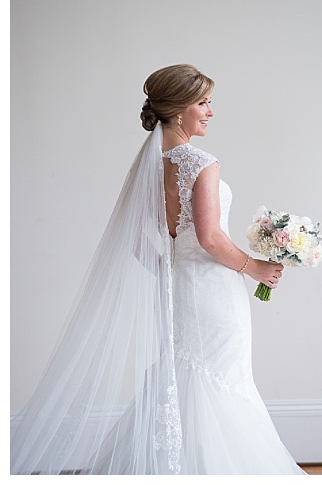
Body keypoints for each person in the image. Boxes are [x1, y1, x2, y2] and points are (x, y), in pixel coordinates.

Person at [11, 65, 306, 474]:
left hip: (181, 289)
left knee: (188, 374)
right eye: (203, 103)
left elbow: (134, 238)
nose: (211, 112)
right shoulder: (202, 162)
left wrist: (169, 272)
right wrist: (253, 267)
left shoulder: (151, 164)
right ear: (180, 110)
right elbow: (210, 238)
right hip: (214, 291)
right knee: (222, 379)